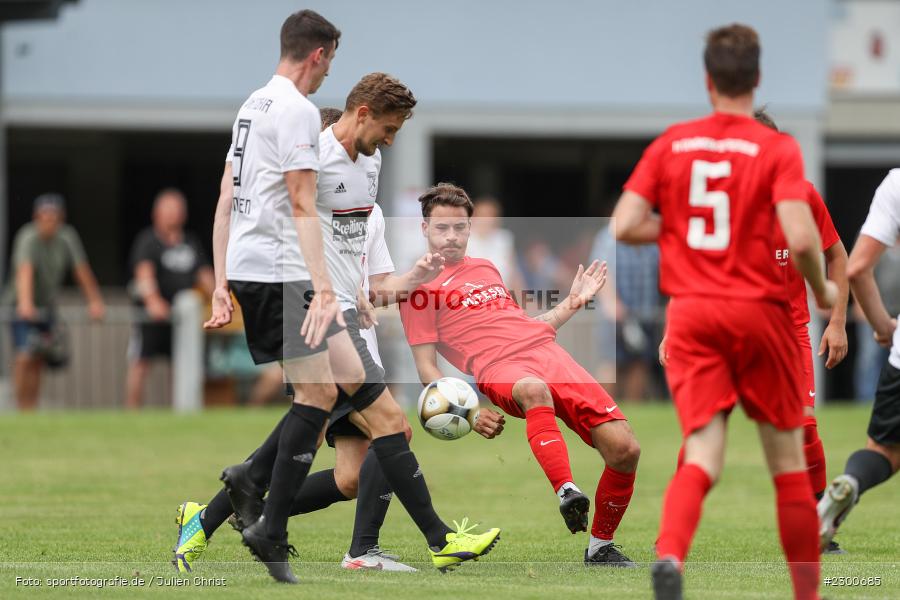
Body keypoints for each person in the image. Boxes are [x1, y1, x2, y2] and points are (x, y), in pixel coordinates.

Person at [176, 72, 501, 578]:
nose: (386, 143)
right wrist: (231, 281)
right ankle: (411, 543)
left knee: (346, 473)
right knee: (390, 426)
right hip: (319, 317)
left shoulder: (367, 189)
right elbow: (249, 210)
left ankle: (218, 515)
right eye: (386, 130)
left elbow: (375, 284)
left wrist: (412, 275)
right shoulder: (314, 173)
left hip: (353, 322)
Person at [612, 24, 837, 600]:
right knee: (787, 462)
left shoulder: (673, 143)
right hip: (761, 313)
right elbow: (802, 239)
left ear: (707, 79)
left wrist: (686, 233)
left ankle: (670, 554)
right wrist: (824, 292)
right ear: (756, 78)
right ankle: (807, 593)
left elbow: (627, 223)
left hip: (693, 314)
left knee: (704, 452)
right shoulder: (777, 147)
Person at [399, 183, 642, 567]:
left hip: (549, 354)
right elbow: (426, 368)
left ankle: (600, 547)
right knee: (534, 390)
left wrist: (574, 302)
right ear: (424, 228)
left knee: (625, 449)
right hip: (500, 369)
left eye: (459, 228)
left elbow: (528, 326)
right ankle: (566, 490)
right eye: (442, 228)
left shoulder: (485, 267)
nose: (451, 237)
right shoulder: (416, 290)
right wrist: (471, 412)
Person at [658, 108, 850, 554]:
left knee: (802, 427)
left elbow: (837, 257)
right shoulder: (717, 201)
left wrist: (837, 322)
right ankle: (671, 540)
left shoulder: (801, 195)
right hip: (725, 335)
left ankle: (822, 522)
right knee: (702, 435)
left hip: (787, 335)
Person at [818, 168, 900, 550]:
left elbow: (856, 266)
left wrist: (883, 325)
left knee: (884, 451)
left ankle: (850, 482)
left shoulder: (895, 184)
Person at [4, 193, 105, 410]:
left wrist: (94, 301)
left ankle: (30, 409)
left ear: (61, 218)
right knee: (24, 355)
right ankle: (19, 407)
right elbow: (25, 271)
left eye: (53, 217)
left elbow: (81, 270)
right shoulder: (27, 236)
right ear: (36, 217)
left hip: (46, 306)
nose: (49, 221)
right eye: (44, 216)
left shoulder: (67, 237)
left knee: (41, 356)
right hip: (21, 305)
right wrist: (25, 302)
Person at [125, 188, 214, 409]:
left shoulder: (190, 243)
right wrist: (153, 301)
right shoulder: (148, 240)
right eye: (168, 210)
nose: (173, 215)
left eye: (177, 210)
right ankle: (131, 413)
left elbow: (205, 275)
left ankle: (179, 410)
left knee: (181, 365)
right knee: (141, 363)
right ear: (157, 213)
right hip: (153, 317)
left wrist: (217, 297)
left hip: (183, 317)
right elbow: (144, 274)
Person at [592, 224, 662, 400]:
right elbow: (599, 273)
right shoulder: (608, 237)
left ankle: (632, 411)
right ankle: (602, 408)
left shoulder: (652, 238)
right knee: (610, 363)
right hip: (614, 317)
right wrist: (613, 305)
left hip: (645, 314)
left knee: (640, 364)